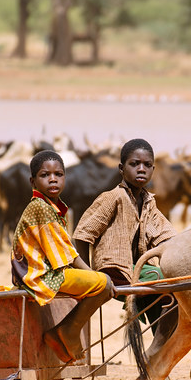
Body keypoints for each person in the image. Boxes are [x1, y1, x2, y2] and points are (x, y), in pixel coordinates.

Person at [73, 138, 179, 380]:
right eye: (134, 164)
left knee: (170, 298)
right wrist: (89, 275)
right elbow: (82, 234)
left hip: (136, 269)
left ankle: (152, 366)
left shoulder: (149, 203)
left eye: (147, 165)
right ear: (121, 169)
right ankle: (152, 363)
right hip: (113, 269)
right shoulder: (113, 197)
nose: (140, 169)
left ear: (153, 170)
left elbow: (167, 237)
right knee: (159, 280)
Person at [11, 150, 114, 363]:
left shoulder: (51, 207)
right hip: (40, 275)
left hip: (44, 272)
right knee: (103, 284)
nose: (52, 179)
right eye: (44, 175)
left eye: (58, 174)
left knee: (100, 282)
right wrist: (97, 277)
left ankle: (66, 331)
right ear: (33, 181)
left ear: (65, 178)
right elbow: (67, 255)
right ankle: (67, 331)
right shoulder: (39, 207)